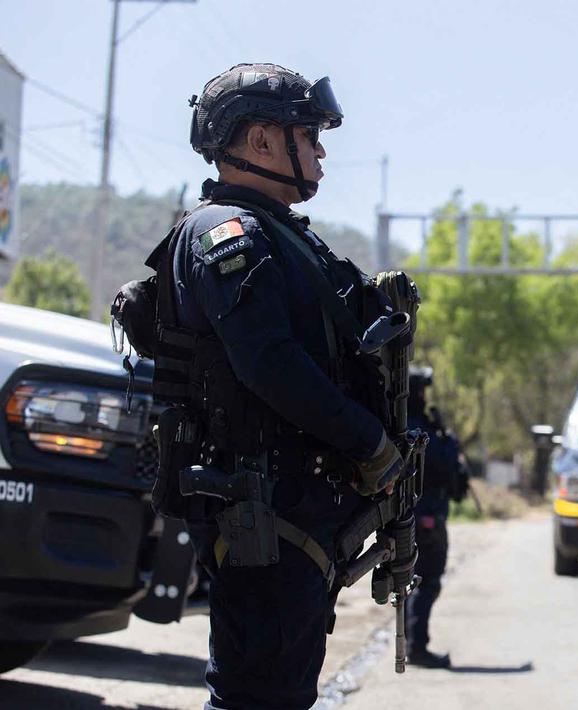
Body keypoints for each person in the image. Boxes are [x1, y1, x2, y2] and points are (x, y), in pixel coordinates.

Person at [156, 63, 411, 709]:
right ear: (262, 141)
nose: (321, 150)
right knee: (257, 697)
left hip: (295, 508)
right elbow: (266, 362)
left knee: (280, 692)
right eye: (308, 133)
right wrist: (369, 443)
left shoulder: (283, 235)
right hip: (263, 510)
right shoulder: (226, 234)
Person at [403, 366, 469, 669]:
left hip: (414, 515)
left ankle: (410, 644)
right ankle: (416, 647)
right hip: (425, 515)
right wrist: (449, 440)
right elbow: (443, 464)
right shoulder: (417, 430)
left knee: (412, 581)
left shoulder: (404, 424)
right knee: (425, 581)